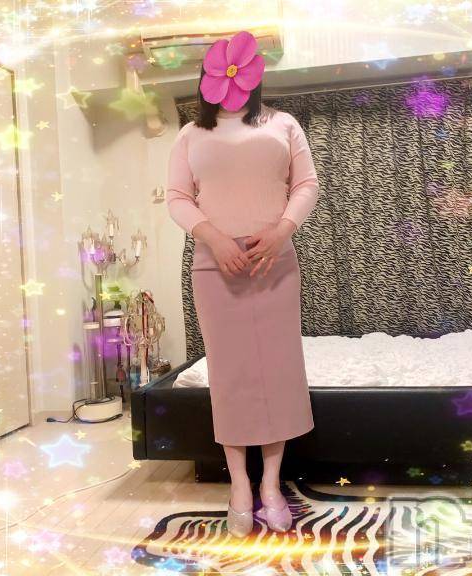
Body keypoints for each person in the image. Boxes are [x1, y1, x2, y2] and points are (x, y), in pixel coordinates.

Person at [166, 31, 319, 538]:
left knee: (278, 372)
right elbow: (177, 197)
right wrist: (213, 236)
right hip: (216, 268)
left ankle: (271, 484)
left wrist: (282, 231)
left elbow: (306, 184)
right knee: (230, 376)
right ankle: (239, 485)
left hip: (275, 263)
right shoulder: (190, 135)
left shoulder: (283, 124)